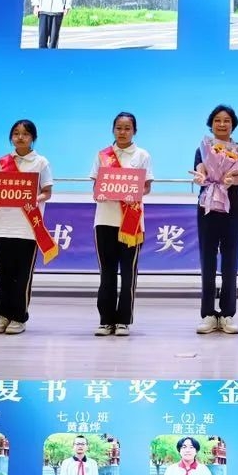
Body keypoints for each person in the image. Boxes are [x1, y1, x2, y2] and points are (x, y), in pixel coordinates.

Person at [0, 118, 54, 335]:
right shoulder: (2, 162)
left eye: (25, 134)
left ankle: (18, 317)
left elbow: (47, 192)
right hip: (2, 225)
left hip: (27, 227)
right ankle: (2, 316)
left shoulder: (41, 162)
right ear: (11, 137)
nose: (20, 137)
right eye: (16, 133)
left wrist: (34, 199)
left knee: (22, 275)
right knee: (4, 274)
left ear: (33, 138)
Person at [90, 111, 153, 337]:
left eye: (127, 128)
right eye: (119, 128)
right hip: (104, 221)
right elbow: (95, 186)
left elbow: (146, 187)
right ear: (113, 130)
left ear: (134, 131)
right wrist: (100, 193)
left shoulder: (142, 155)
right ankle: (106, 320)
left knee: (128, 274)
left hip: (131, 223)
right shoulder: (103, 155)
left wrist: (132, 193)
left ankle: (123, 321)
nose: (123, 132)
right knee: (107, 273)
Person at [192, 104, 238, 335]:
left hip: (233, 208)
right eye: (217, 120)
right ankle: (208, 314)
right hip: (207, 207)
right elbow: (200, 170)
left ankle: (227, 314)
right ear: (211, 124)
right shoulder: (203, 148)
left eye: (226, 120)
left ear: (233, 124)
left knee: (230, 261)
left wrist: (231, 181)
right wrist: (200, 177)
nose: (222, 124)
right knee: (207, 260)